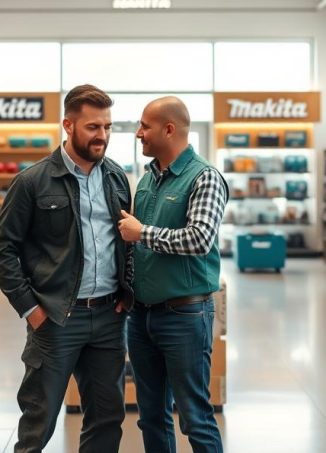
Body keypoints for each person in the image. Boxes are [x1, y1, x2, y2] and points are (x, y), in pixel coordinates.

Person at [0, 85, 134, 453]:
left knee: (106, 419)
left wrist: (127, 291)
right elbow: (2, 251)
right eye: (92, 127)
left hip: (108, 318)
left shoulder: (116, 177)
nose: (102, 136)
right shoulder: (32, 181)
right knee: (38, 424)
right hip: (55, 319)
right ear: (68, 125)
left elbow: (125, 242)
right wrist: (31, 309)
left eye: (108, 127)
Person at [118, 96, 228, 453]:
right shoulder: (147, 179)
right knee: (151, 415)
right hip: (141, 316)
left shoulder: (205, 177)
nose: (138, 133)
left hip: (185, 316)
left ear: (169, 129)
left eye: (145, 126)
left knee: (195, 416)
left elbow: (200, 238)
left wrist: (142, 233)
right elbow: (135, 248)